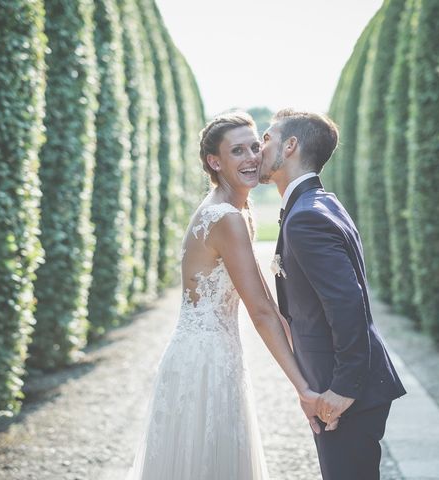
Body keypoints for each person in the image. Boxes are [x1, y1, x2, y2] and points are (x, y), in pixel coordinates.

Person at [126, 111, 320, 480]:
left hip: (214, 353)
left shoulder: (236, 210)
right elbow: (260, 311)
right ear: (215, 162)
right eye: (237, 151)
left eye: (253, 147)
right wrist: (304, 388)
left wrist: (307, 363)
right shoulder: (225, 218)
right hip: (206, 362)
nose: (251, 158)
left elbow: (267, 300)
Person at [259, 109, 407, 480]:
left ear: (290, 145)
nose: (258, 148)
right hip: (339, 386)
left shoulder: (306, 216)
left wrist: (343, 388)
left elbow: (347, 303)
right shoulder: (319, 203)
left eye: (266, 138)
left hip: (346, 394)